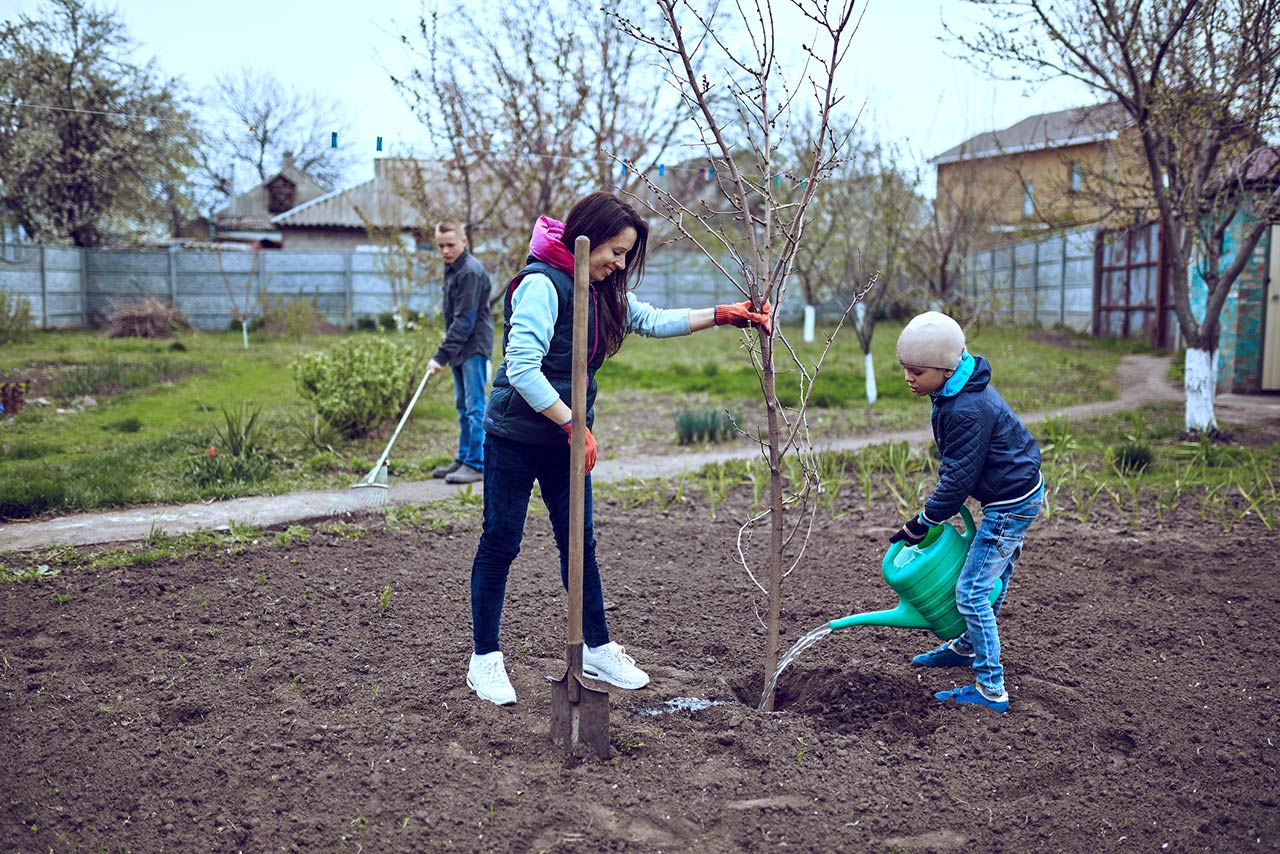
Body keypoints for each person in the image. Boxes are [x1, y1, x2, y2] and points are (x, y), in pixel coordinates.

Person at [465, 191, 771, 705]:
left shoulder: (601, 288)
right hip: (517, 436)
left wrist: (721, 314)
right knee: (501, 541)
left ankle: (596, 648)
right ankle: (485, 659)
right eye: (614, 250)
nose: (619, 263)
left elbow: (652, 319)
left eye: (627, 254)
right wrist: (571, 424)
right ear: (586, 238)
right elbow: (521, 369)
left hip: (567, 438)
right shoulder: (543, 284)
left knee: (579, 545)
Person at [890, 310, 1043, 714]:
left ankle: (991, 687)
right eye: (905, 369)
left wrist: (923, 522)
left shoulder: (965, 409)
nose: (909, 378)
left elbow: (957, 478)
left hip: (1009, 503)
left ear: (944, 368)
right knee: (990, 577)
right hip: (1016, 492)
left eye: (917, 371)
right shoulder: (956, 390)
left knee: (971, 590)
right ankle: (967, 645)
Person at [427, 218, 494, 485]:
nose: (445, 251)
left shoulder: (469, 271)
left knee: (474, 406)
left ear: (464, 241)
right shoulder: (453, 267)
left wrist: (440, 356)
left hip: (473, 346)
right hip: (459, 348)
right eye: (440, 246)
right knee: (462, 406)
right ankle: (464, 457)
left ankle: (476, 463)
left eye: (450, 245)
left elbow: (465, 321)